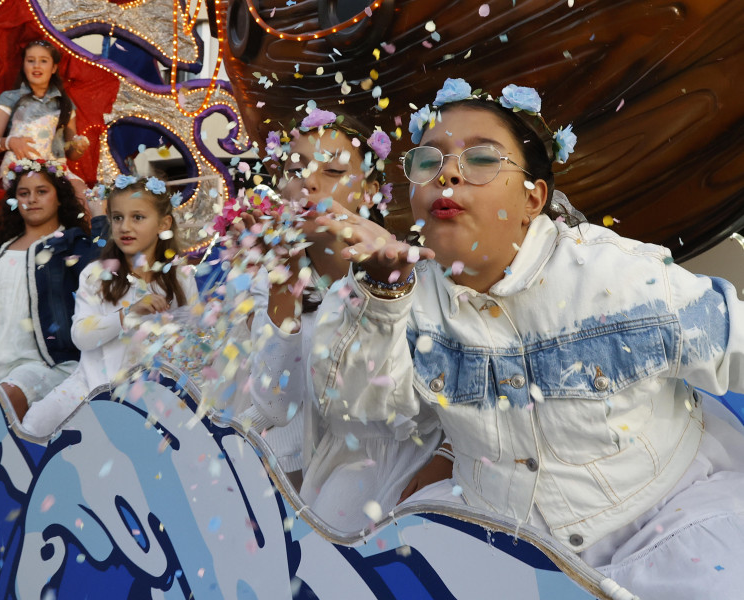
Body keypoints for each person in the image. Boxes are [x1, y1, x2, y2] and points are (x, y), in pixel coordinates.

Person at [309, 77, 744, 598]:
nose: (447, 171)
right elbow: (354, 406)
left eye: (483, 159)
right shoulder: (404, 294)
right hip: (506, 537)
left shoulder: (615, 278)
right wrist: (382, 291)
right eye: (428, 161)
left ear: (533, 198)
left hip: (664, 519)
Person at [218, 109, 439, 532]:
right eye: (296, 170)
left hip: (405, 461)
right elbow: (276, 407)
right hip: (322, 459)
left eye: (334, 171)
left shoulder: (411, 267)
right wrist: (283, 279)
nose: (311, 185)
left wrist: (443, 458)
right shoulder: (272, 278)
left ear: (372, 189)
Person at [19, 176, 197, 438]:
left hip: (155, 397)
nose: (125, 226)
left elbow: (193, 344)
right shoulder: (96, 274)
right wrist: (128, 314)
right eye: (117, 217)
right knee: (35, 423)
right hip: (90, 388)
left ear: (163, 223)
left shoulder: (181, 277)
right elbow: (80, 336)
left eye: (137, 217)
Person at [0, 159, 107, 421]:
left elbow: (105, 271)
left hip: (46, 365)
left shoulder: (71, 244)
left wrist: (100, 217)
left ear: (60, 198)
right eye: (23, 193)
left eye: (42, 191)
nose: (32, 199)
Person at [0, 39, 90, 202]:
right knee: (42, 194)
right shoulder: (9, 98)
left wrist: (79, 146)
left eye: (43, 61)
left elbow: (71, 152)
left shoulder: (65, 103)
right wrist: (10, 142)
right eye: (31, 61)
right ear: (23, 65)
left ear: (54, 68)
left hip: (56, 168)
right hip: (21, 168)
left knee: (87, 197)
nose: (36, 66)